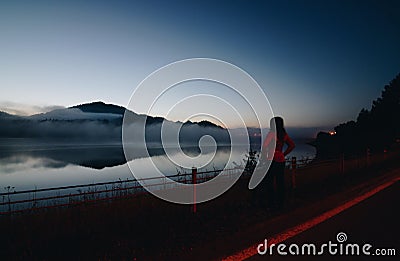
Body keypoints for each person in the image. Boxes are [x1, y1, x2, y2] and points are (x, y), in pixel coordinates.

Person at [261, 116, 295, 209]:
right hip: (281, 160)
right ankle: (281, 203)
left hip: (271, 160)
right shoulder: (283, 135)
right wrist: (283, 154)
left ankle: (271, 203)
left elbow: (264, 147)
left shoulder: (271, 134)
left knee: (270, 182)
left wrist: (264, 158)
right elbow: (292, 145)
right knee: (280, 182)